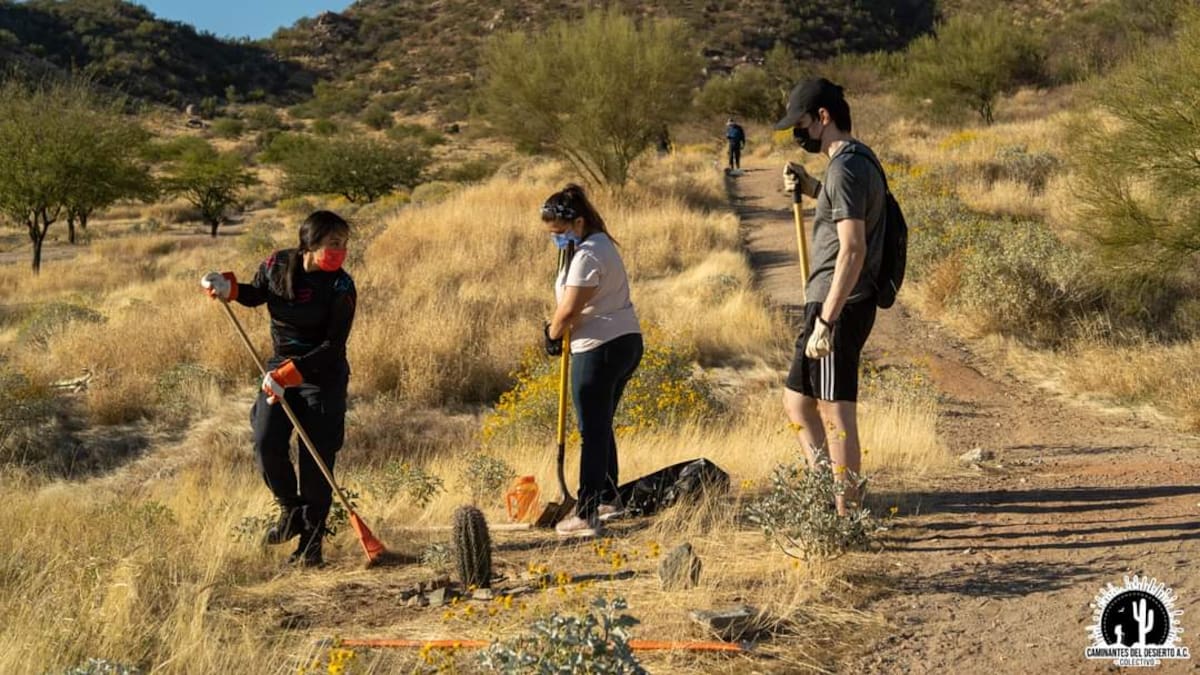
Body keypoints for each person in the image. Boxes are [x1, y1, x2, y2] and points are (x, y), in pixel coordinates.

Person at [200, 211, 356, 566]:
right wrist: (230, 288)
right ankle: (290, 511)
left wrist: (292, 372)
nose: (341, 251)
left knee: (316, 461)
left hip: (323, 377)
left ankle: (311, 547)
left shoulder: (342, 287)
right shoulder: (277, 264)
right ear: (310, 244)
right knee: (265, 440)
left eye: (344, 244)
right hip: (279, 368)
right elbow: (257, 294)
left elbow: (334, 346)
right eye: (334, 243)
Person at [775, 79, 886, 516]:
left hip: (837, 304)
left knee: (835, 410)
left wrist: (826, 320)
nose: (796, 135)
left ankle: (846, 512)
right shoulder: (854, 162)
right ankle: (825, 496)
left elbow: (853, 246)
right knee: (798, 401)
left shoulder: (845, 167)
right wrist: (809, 188)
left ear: (823, 117)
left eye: (800, 124)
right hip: (826, 301)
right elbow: (844, 207)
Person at [540, 185, 643, 538]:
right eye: (552, 233)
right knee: (601, 425)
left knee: (592, 431)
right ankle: (608, 498)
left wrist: (551, 334)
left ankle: (586, 513)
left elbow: (569, 309)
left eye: (559, 231)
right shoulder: (597, 245)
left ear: (578, 221)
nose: (556, 238)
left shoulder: (587, 255)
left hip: (599, 347)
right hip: (624, 340)